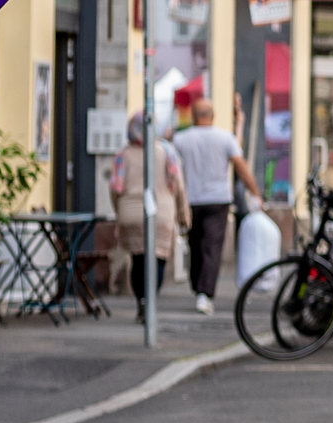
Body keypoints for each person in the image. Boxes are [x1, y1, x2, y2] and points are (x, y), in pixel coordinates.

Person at [167, 97, 257, 314]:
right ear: (212, 116)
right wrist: (254, 192)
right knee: (212, 247)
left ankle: (199, 287)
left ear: (194, 116)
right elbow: (241, 166)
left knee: (196, 244)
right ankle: (204, 293)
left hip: (191, 199)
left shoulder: (181, 139)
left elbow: (170, 167)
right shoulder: (225, 137)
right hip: (218, 200)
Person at [109, 113, 186, 313]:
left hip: (130, 214)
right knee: (159, 258)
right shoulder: (167, 151)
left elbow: (115, 189)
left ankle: (141, 301)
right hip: (162, 213)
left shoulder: (122, 155)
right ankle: (151, 300)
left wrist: (120, 212)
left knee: (137, 259)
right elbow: (177, 185)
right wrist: (183, 214)